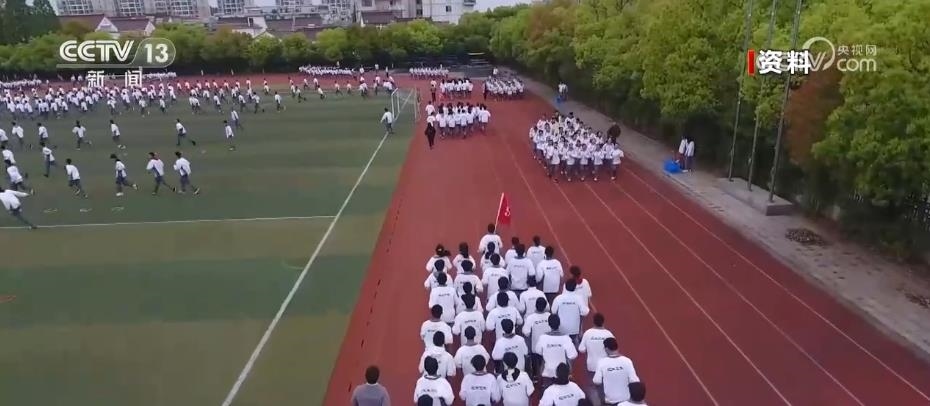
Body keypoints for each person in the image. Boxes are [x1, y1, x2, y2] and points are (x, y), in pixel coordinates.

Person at [594, 337, 640, 405]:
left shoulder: (601, 362)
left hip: (611, 401)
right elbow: (634, 380)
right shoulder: (627, 361)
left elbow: (597, 381)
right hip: (626, 399)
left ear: (606, 349)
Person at [535, 315, 577, 387]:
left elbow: (538, 351)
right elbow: (573, 355)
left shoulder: (543, 338)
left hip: (547, 372)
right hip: (562, 373)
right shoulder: (566, 338)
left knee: (547, 391)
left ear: (549, 324)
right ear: (559, 323)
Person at [522, 297, 551, 382]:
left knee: (535, 359)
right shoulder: (549, 316)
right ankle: (546, 378)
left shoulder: (531, 318)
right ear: (545, 306)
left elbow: (526, 332)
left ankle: (535, 376)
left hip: (535, 346)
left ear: (535, 306)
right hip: (549, 345)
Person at [552, 279, 590, 344]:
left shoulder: (559, 298)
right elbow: (585, 312)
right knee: (573, 343)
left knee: (562, 344)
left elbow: (553, 311)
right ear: (575, 287)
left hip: (561, 328)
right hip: (574, 329)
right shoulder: (579, 298)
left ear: (565, 287)